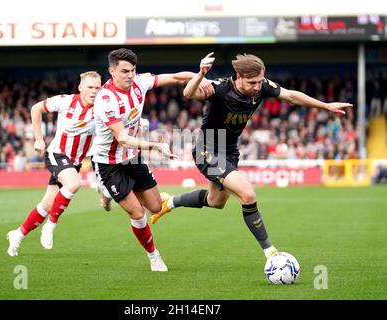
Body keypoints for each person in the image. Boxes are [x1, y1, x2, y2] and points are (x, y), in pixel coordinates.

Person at [151, 52, 353, 259]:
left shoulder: (262, 86)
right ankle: (271, 253)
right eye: (252, 82)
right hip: (208, 149)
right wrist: (201, 74)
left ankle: (170, 202)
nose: (257, 87)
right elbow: (189, 93)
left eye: (259, 81)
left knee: (215, 201)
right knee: (247, 194)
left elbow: (291, 96)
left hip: (230, 150)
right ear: (239, 76)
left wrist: (326, 106)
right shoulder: (219, 88)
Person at [91, 48, 212, 271]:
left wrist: (203, 75)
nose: (130, 75)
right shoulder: (105, 99)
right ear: (111, 71)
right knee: (138, 213)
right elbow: (123, 138)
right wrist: (156, 145)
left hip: (132, 158)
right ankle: (154, 256)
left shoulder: (140, 82)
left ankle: (107, 192)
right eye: (124, 71)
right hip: (108, 164)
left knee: (156, 207)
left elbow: (176, 77)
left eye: (133, 70)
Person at [6, 71, 102, 256]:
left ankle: (18, 234)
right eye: (90, 87)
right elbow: (36, 109)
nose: (94, 91)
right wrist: (39, 139)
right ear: (80, 87)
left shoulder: (102, 106)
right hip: (56, 154)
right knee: (74, 184)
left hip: (73, 162)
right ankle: (50, 226)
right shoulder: (66, 101)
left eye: (97, 88)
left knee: (48, 204)